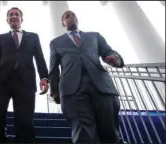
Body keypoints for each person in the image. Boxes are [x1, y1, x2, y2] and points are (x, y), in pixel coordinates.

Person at [49, 10, 125, 144]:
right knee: (83, 133)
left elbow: (108, 51)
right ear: (62, 23)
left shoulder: (94, 36)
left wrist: (115, 59)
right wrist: (54, 91)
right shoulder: (56, 42)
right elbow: (53, 69)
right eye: (67, 16)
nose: (70, 17)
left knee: (109, 130)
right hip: (72, 90)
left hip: (101, 86)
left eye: (73, 15)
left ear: (77, 20)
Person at [0, 7, 49, 143]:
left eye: (17, 14)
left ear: (21, 19)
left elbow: (40, 59)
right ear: (7, 20)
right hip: (1, 82)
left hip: (25, 82)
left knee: (25, 121)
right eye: (10, 15)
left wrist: (44, 78)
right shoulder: (1, 38)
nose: (14, 16)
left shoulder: (33, 37)